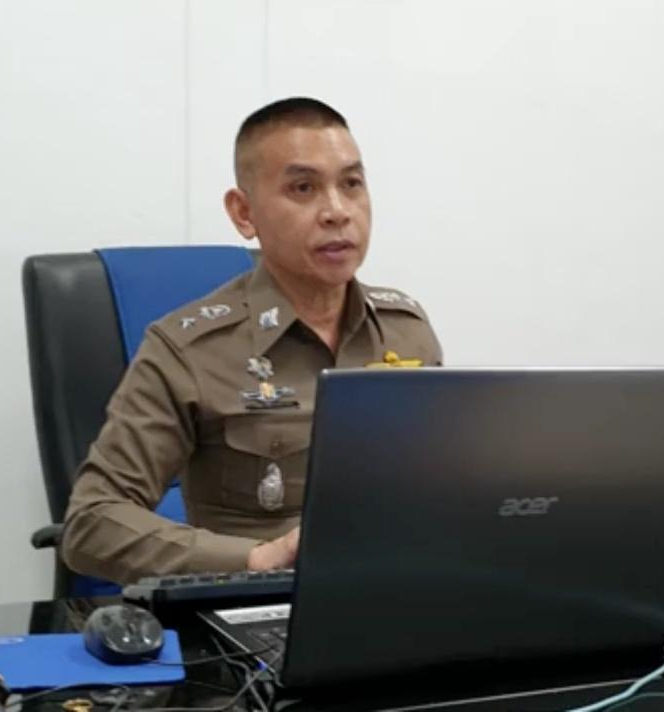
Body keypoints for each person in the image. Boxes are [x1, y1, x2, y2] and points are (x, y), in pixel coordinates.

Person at [60, 98, 443, 584]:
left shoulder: (405, 329)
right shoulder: (189, 350)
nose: (337, 212)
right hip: (260, 605)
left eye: (351, 184)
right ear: (244, 213)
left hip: (397, 593)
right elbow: (91, 524)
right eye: (303, 188)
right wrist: (257, 559)